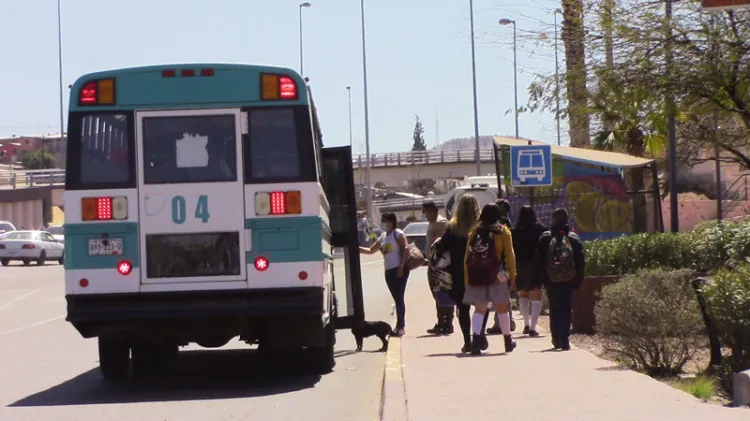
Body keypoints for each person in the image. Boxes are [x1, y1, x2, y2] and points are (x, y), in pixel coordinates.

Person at [464, 203, 517, 355]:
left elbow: (467, 257)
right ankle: (507, 341)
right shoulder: (503, 231)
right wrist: (513, 276)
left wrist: (467, 278)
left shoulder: (474, 232)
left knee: (479, 309)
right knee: (502, 309)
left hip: (477, 275)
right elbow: (510, 256)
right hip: (498, 276)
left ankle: (475, 343)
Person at [534, 207, 585, 350]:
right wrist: (579, 280)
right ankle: (565, 338)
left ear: (552, 219)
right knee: (566, 307)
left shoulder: (545, 238)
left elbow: (538, 261)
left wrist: (540, 279)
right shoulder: (573, 239)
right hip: (569, 279)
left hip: (551, 280)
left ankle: (556, 337)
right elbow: (580, 261)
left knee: (555, 307)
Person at [438, 194, 481, 352]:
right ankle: (479, 335)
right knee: (481, 306)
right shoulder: (481, 226)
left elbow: (442, 247)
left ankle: (467, 341)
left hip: (459, 273)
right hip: (479, 271)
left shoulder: (453, 227)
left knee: (463, 308)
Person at [360, 212, 410, 337]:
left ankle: (401, 327)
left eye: (385, 220)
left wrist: (401, 266)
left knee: (399, 299)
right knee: (396, 298)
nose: (383, 223)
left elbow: (406, 249)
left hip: (398, 270)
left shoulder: (397, 234)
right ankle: (399, 326)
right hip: (388, 271)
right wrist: (357, 248)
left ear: (391, 221)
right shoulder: (383, 236)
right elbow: (371, 250)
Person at [512, 205, 548, 336]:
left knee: (523, 294)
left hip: (520, 265)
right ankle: (533, 327)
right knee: (536, 295)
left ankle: (526, 324)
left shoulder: (514, 231)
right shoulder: (540, 230)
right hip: (536, 265)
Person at [485, 198, 516, 335]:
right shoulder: (506, 223)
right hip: (502, 266)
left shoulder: (500, 225)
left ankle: (501, 324)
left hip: (498, 267)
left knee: (499, 296)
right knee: (503, 295)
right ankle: (508, 321)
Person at [423, 201, 452, 335]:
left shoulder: (443, 224)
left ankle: (448, 323)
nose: (425, 215)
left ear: (434, 211)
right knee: (436, 294)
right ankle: (441, 322)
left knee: (444, 293)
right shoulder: (431, 224)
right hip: (432, 264)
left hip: (443, 265)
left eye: (427, 212)